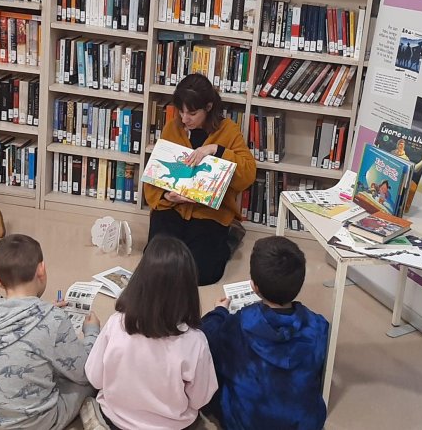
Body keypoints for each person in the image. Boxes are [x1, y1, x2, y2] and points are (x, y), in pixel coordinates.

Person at [0, 234, 100, 429]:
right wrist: (92, 332)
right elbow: (84, 372)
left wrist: (44, 310)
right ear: (41, 270)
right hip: (32, 423)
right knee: (89, 379)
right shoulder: (54, 319)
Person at [83, 235, 218, 429]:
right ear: (188, 291)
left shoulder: (116, 323)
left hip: (115, 421)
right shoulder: (195, 341)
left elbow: (94, 378)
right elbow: (200, 399)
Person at [200, 236, 329, 430]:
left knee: (213, 361)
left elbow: (205, 334)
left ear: (254, 287)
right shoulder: (318, 326)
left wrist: (219, 312)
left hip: (245, 421)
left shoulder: (238, 324)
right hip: (303, 423)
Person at [143, 74, 256, 285]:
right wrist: (168, 196)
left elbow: (248, 175)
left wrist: (217, 150)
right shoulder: (172, 128)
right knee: (155, 267)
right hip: (172, 208)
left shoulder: (228, 130)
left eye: (192, 113)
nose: (185, 118)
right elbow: (154, 176)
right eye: (181, 111)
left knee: (202, 274)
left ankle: (229, 237)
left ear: (209, 107)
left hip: (209, 213)